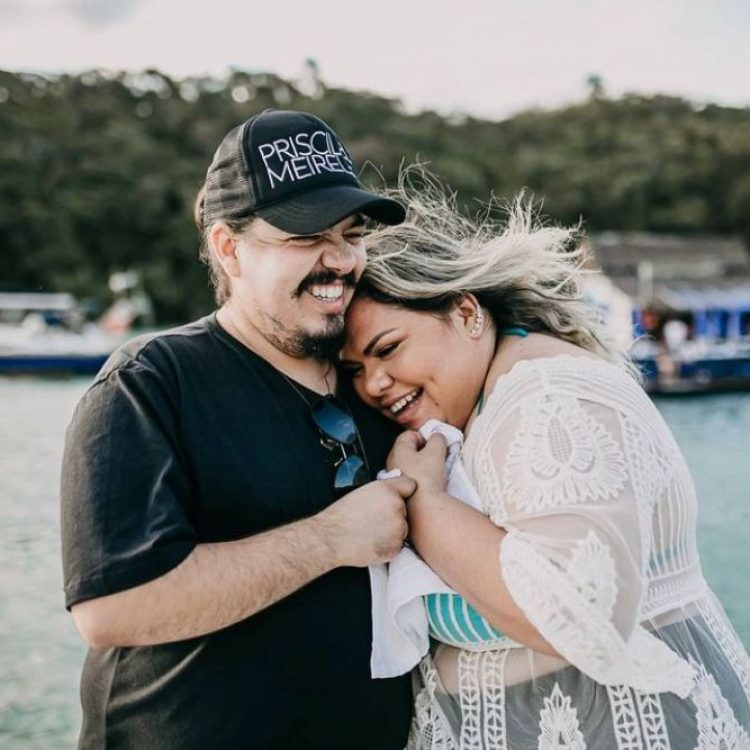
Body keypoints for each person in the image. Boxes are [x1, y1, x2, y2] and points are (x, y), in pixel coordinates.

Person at [340, 185, 750, 749]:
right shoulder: (474, 411)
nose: (374, 384)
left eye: (387, 350)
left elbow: (583, 612)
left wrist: (424, 501)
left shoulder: (549, 396)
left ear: (466, 312)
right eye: (354, 371)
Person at [60, 109, 418, 749]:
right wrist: (331, 539)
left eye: (353, 234)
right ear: (229, 249)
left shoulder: (379, 379)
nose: (341, 260)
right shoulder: (149, 384)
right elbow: (112, 607)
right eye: (306, 237)